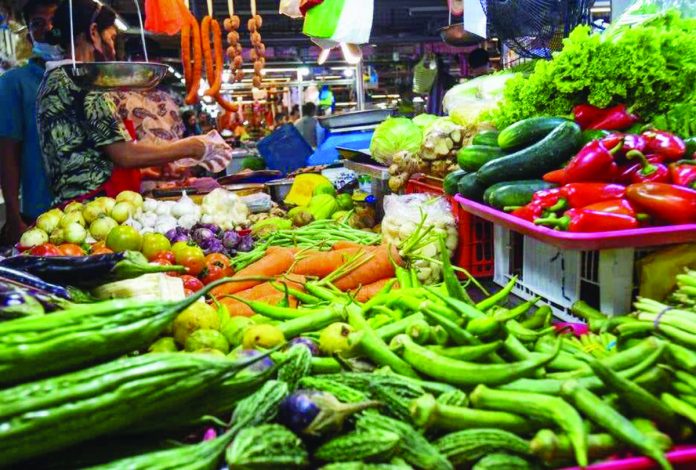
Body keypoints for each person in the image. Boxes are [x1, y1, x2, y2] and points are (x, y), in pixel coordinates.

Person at [36, 0, 229, 206]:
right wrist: (192, 147)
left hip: (73, 208)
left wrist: (146, 173)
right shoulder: (84, 82)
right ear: (93, 32)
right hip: (96, 209)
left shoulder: (54, 79)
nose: (112, 47)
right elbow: (124, 155)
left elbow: (86, 155)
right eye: (111, 37)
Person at [0, 0, 59, 244]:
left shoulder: (83, 77)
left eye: (54, 22)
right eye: (38, 23)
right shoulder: (15, 83)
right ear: (28, 37)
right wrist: (14, 217)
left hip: (91, 210)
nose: (48, 29)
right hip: (38, 214)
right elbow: (7, 154)